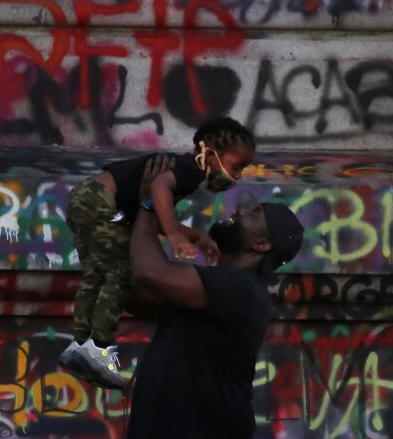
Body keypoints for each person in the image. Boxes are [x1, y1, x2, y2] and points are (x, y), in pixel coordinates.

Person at [59, 117, 256, 389]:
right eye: (236, 166)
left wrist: (195, 237)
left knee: (97, 275)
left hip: (87, 198)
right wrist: (174, 236)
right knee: (119, 273)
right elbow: (158, 189)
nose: (236, 176)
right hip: (104, 204)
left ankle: (79, 345)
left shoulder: (183, 167)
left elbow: (158, 214)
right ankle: (97, 348)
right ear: (211, 153)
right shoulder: (190, 170)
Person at [125, 156, 305, 439]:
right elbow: (136, 295)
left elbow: (149, 272)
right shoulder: (215, 287)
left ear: (261, 244)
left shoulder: (242, 288)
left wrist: (149, 202)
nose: (242, 211)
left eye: (255, 214)